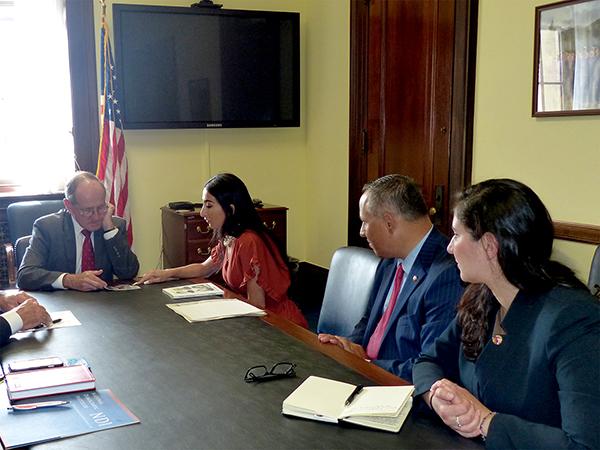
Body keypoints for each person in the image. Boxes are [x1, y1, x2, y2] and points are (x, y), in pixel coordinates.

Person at [413, 179, 599, 449]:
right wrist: (437, 397)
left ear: (489, 246)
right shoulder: (481, 297)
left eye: (456, 234)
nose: (449, 247)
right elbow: (429, 361)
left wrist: (486, 421)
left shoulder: (574, 319)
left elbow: (585, 445)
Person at [318, 175, 464, 381]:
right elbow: (370, 321)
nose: (361, 232)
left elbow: (432, 367)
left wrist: (365, 365)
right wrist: (348, 347)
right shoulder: (389, 259)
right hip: (366, 374)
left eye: (365, 222)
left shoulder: (446, 274)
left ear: (389, 223)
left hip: (399, 391)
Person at [136, 173, 309, 329]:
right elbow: (205, 268)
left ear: (231, 209)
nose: (202, 212)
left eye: (209, 206)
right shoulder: (231, 236)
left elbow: (257, 307)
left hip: (279, 326)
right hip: (257, 317)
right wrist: (166, 273)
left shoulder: (249, 241)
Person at [16, 171, 140, 291]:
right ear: (69, 206)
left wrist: (109, 231)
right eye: (87, 210)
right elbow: (25, 275)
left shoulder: (114, 226)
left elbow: (128, 273)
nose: (96, 217)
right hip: (63, 303)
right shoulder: (48, 228)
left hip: (104, 303)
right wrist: (69, 280)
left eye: (101, 207)